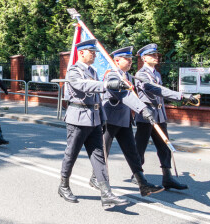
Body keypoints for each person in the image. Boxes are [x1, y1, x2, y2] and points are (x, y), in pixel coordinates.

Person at [59, 39, 128, 208]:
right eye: (92, 52)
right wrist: (106, 84)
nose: (95, 55)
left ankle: (106, 193)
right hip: (78, 118)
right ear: (81, 53)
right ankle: (63, 185)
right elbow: (83, 85)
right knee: (71, 154)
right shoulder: (74, 70)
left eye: (95, 52)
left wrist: (103, 118)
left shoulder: (93, 71)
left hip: (94, 118)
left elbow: (98, 98)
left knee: (99, 156)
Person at [88, 46, 164, 197]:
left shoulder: (127, 76)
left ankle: (142, 184)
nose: (130, 62)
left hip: (124, 120)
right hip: (110, 119)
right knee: (104, 150)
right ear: (117, 61)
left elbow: (133, 96)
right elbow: (124, 95)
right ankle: (95, 177)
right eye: (127, 60)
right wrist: (143, 109)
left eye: (130, 60)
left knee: (132, 152)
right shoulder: (112, 76)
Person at [133, 43, 198, 190]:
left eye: (156, 55)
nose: (156, 57)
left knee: (164, 146)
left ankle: (167, 177)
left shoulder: (156, 73)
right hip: (146, 115)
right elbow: (158, 90)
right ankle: (136, 175)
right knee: (140, 147)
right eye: (152, 55)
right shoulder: (141, 75)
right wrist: (182, 96)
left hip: (160, 115)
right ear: (144, 58)